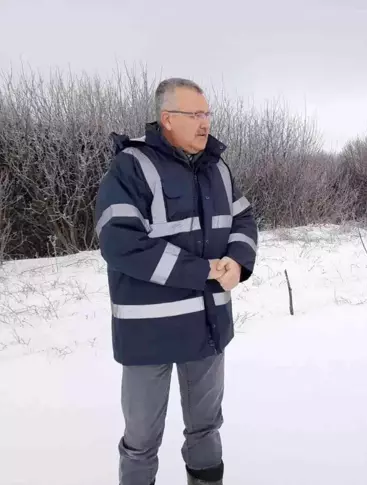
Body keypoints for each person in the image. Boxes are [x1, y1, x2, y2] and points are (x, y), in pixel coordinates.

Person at [95, 78, 258, 485]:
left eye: (207, 114)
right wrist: (202, 270)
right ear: (167, 119)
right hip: (148, 334)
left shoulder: (218, 167)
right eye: (194, 115)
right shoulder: (131, 167)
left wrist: (237, 262)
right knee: (140, 441)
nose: (205, 124)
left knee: (206, 430)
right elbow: (120, 242)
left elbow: (243, 220)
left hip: (207, 326)